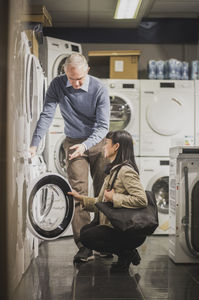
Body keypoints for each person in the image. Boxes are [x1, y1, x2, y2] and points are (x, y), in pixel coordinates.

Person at [29, 53, 110, 262]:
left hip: (99, 143)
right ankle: (85, 246)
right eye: (70, 79)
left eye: (79, 79)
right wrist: (34, 144)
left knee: (103, 192)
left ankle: (103, 242)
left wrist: (86, 145)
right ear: (65, 72)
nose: (74, 84)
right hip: (73, 142)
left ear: (87, 70)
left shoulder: (99, 88)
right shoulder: (57, 85)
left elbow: (103, 126)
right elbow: (47, 114)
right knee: (77, 193)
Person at [68, 130, 148, 273]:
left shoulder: (125, 171)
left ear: (116, 147)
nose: (103, 147)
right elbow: (102, 204)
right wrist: (81, 199)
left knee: (87, 237)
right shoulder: (114, 170)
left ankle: (126, 252)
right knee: (86, 231)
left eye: (106, 144)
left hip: (129, 230)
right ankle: (125, 253)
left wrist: (114, 198)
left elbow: (142, 199)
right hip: (120, 228)